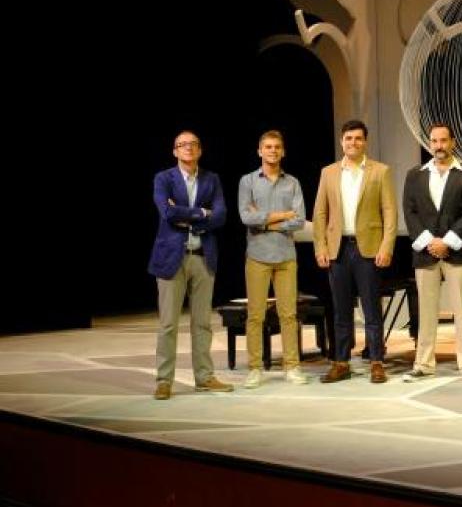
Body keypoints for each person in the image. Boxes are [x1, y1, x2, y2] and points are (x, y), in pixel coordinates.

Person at [149, 130, 232, 399]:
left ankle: (204, 377)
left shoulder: (212, 179)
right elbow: (167, 212)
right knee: (168, 324)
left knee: (203, 324)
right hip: (172, 258)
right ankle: (164, 381)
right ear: (175, 151)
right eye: (182, 145)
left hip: (203, 258)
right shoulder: (163, 178)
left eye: (193, 144)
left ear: (200, 150)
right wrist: (200, 213)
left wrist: (188, 215)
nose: (188, 148)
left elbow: (220, 216)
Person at [314, 120, 398, 385]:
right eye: (348, 138)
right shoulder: (328, 172)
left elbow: (389, 211)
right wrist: (321, 246)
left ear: (365, 142)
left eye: (358, 138)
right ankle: (341, 362)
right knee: (341, 311)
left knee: (372, 309)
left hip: (369, 249)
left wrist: (387, 246)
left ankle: (376, 361)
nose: (353, 143)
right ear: (342, 141)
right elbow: (320, 212)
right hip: (338, 249)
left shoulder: (380, 171)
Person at [402, 124, 462, 383]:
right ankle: (423, 363)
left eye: (443, 140)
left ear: (453, 142)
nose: (439, 145)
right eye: (434, 141)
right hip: (426, 253)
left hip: (457, 251)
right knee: (426, 311)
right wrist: (429, 243)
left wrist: (446, 242)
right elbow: (410, 212)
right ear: (429, 144)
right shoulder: (415, 175)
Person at [238, 130, 308, 388]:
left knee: (288, 315)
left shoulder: (293, 183)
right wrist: (282, 216)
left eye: (277, 147)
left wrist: (265, 220)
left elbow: (299, 221)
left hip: (286, 257)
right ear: (259, 151)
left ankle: (292, 366)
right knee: (255, 315)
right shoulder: (248, 182)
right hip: (257, 256)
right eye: (267, 147)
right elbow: (246, 218)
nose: (272, 151)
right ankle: (255, 368)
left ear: (283, 151)